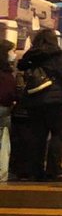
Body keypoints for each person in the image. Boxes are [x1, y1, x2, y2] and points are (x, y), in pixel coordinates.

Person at [13, 29, 62, 182]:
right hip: (56, 102)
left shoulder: (31, 55)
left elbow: (21, 67)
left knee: (37, 136)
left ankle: (36, 171)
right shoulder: (57, 55)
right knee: (57, 135)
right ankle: (54, 171)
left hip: (34, 100)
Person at [0, 41, 15, 183]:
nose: (13, 54)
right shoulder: (6, 72)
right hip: (4, 108)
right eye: (12, 51)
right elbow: (8, 92)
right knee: (4, 143)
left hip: (4, 107)